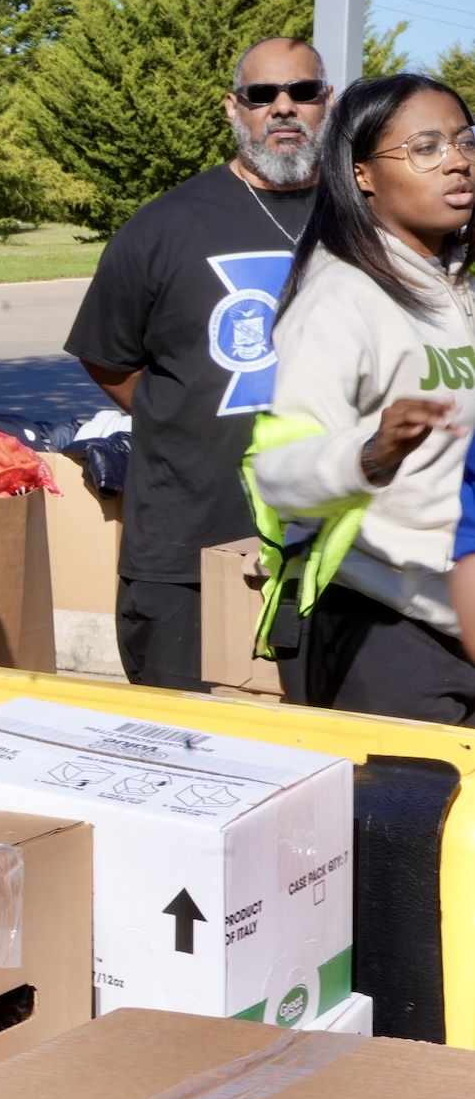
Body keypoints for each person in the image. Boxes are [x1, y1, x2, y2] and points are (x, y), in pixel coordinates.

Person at [63, 36, 329, 690]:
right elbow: (110, 361)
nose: (283, 108)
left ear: (330, 103)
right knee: (182, 758)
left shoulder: (371, 219)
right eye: (262, 95)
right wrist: (181, 416)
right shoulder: (164, 226)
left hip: (339, 555)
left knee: (332, 764)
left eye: (303, 92)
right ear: (233, 108)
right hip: (187, 550)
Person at [251, 73, 475, 721]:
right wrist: (373, 451)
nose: (458, 160)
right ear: (363, 175)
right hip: (387, 631)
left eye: (464, 141)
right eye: (425, 148)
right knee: (407, 825)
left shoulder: (458, 281)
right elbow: (279, 473)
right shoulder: (340, 296)